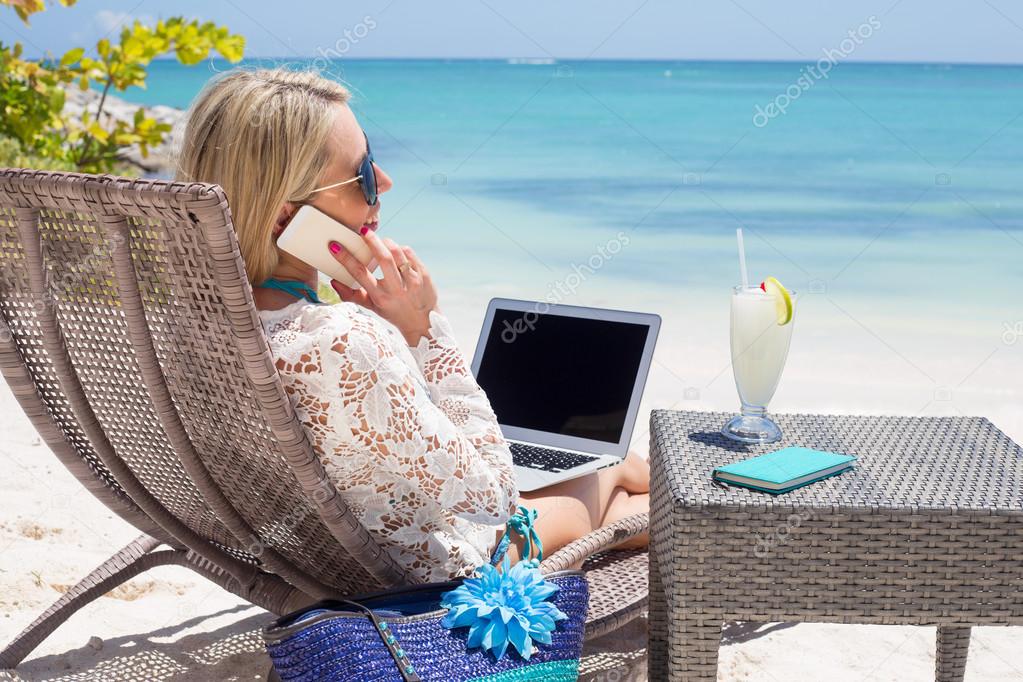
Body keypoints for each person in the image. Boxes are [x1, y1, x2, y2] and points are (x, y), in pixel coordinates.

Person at [175, 68, 649, 582]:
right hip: (425, 574)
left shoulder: (196, 326)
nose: (385, 183)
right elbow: (495, 497)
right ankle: (716, 507)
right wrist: (422, 331)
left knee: (616, 479)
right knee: (614, 473)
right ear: (287, 221)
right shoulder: (342, 340)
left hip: (315, 561)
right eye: (363, 174)